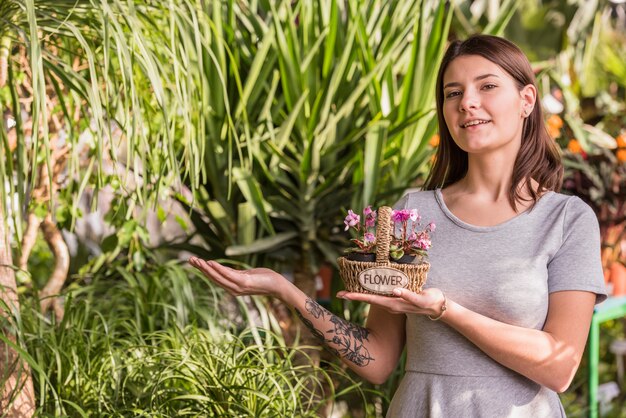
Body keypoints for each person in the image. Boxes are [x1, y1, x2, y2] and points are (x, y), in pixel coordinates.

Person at [189, 34, 607, 417]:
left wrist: (445, 310)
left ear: (527, 99)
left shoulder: (566, 220)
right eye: (453, 93)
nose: (467, 103)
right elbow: (379, 361)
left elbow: (559, 367)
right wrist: (288, 293)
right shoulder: (412, 213)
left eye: (487, 86)